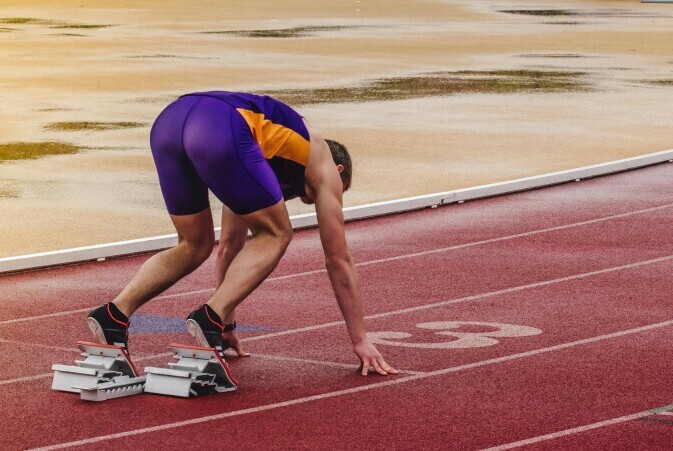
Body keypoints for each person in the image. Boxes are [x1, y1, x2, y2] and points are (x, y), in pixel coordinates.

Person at [87, 91, 397, 376]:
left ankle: (114, 315)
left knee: (194, 244)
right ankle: (209, 318)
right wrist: (360, 340)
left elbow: (229, 247)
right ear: (340, 173)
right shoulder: (324, 163)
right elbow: (338, 259)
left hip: (170, 123)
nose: (325, 200)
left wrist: (227, 322)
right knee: (278, 232)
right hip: (218, 125)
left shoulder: (256, 160)